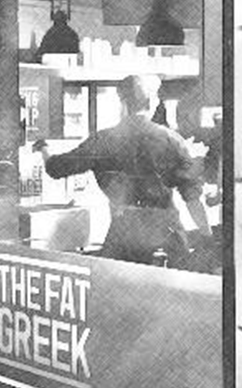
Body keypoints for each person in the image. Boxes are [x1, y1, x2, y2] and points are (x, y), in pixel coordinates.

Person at [43, 75, 212, 266]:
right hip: (167, 234)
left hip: (125, 233)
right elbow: (192, 198)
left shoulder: (102, 141)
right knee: (175, 281)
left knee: (114, 281)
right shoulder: (172, 140)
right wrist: (207, 236)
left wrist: (43, 149)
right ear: (152, 102)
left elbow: (55, 168)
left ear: (121, 101)